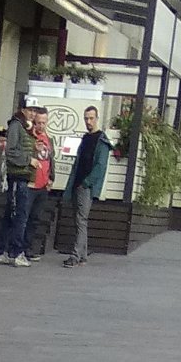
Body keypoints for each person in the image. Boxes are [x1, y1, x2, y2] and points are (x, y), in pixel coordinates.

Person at [61, 105, 113, 268]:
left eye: (91, 118)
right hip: (78, 183)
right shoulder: (85, 138)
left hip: (85, 185)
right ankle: (82, 256)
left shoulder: (101, 140)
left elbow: (100, 166)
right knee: (79, 221)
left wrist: (86, 183)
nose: (88, 121)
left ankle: (76, 256)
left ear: (97, 118)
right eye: (86, 118)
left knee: (81, 220)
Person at [0, 100, 38, 267]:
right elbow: (11, 151)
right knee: (20, 215)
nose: (33, 113)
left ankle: (0, 251)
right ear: (23, 110)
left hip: (22, 176)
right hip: (18, 176)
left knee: (10, 215)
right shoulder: (16, 126)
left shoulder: (23, 127)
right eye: (31, 110)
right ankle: (16, 253)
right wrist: (29, 160)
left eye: (35, 110)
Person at [22, 107, 55, 262]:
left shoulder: (49, 139)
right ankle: (19, 248)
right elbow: (25, 154)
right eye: (39, 122)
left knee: (35, 218)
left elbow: (51, 159)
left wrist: (51, 178)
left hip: (43, 185)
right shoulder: (30, 137)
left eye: (44, 122)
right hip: (31, 183)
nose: (41, 125)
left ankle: (28, 248)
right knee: (24, 216)